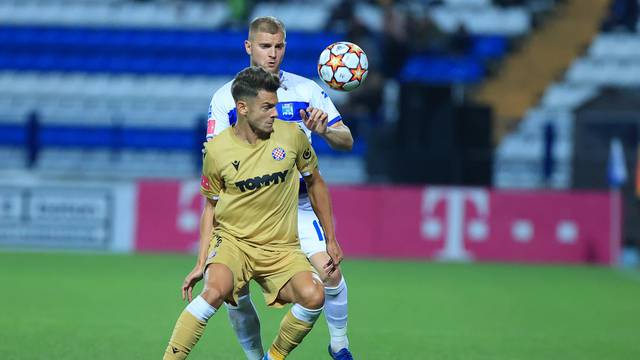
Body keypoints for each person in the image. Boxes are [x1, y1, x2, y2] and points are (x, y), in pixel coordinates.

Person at [196, 16, 355, 359]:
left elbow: (347, 140)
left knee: (331, 272)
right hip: (243, 211)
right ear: (248, 47)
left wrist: (326, 129)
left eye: (279, 46)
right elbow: (215, 157)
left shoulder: (306, 91)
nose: (272, 54)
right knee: (233, 294)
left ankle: (340, 345)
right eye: (265, 46)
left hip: (294, 205)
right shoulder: (227, 98)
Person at [163, 66, 343, 360]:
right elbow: (211, 206)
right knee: (214, 291)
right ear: (243, 108)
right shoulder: (217, 151)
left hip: (280, 247)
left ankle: (273, 358)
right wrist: (200, 261)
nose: (275, 113)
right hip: (233, 242)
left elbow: (315, 182)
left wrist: (331, 240)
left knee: (314, 295)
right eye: (268, 107)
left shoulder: (293, 136)